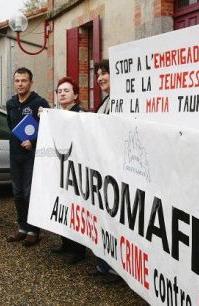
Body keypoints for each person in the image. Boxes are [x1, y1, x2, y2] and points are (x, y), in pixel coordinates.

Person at [6, 67, 49, 247]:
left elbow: (48, 128)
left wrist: (33, 141)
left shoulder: (39, 103)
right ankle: (22, 228)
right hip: (15, 155)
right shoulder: (10, 103)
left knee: (29, 192)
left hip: (32, 156)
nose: (20, 84)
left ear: (31, 82)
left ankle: (34, 230)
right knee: (17, 193)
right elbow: (11, 125)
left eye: (24, 81)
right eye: (17, 81)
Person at [90, 59, 122, 284]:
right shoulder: (105, 102)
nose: (100, 78)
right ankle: (104, 264)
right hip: (103, 168)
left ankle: (115, 269)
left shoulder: (124, 101)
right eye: (98, 74)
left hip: (116, 170)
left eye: (105, 73)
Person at [49, 76, 87, 264]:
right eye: (60, 91)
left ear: (76, 95)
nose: (62, 94)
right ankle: (65, 242)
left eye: (66, 91)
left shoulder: (81, 115)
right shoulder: (55, 114)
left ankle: (78, 250)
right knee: (62, 205)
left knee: (75, 207)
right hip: (59, 167)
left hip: (74, 169)